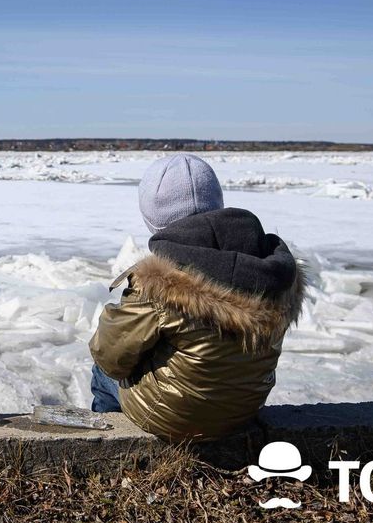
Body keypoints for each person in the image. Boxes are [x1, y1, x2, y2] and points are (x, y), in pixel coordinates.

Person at [88, 154, 304, 441]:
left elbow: (110, 356)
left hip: (177, 417)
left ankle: (108, 448)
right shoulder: (270, 267)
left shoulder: (161, 282)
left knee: (103, 376)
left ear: (153, 219)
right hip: (245, 408)